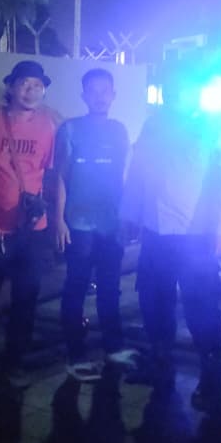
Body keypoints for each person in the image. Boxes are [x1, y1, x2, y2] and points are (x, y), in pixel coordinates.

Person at [120, 72, 221, 413]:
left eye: (182, 89)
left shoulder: (216, 126)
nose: (175, 95)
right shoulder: (153, 125)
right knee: (153, 301)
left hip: (195, 234)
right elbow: (138, 171)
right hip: (155, 231)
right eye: (171, 90)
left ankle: (211, 378)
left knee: (202, 307)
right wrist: (130, 214)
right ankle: (160, 363)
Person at [0, 60, 56, 389]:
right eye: (25, 84)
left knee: (25, 301)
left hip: (32, 230)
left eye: (38, 85)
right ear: (11, 87)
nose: (31, 91)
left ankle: (14, 364)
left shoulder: (48, 125)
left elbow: (46, 172)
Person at [54, 68, 139, 382]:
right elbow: (60, 177)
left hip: (111, 223)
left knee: (109, 287)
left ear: (113, 95)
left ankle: (113, 347)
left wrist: (127, 215)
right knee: (76, 286)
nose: (100, 97)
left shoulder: (119, 130)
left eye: (105, 91)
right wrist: (59, 220)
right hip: (78, 222)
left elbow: (123, 177)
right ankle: (75, 354)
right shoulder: (70, 129)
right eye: (93, 91)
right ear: (84, 95)